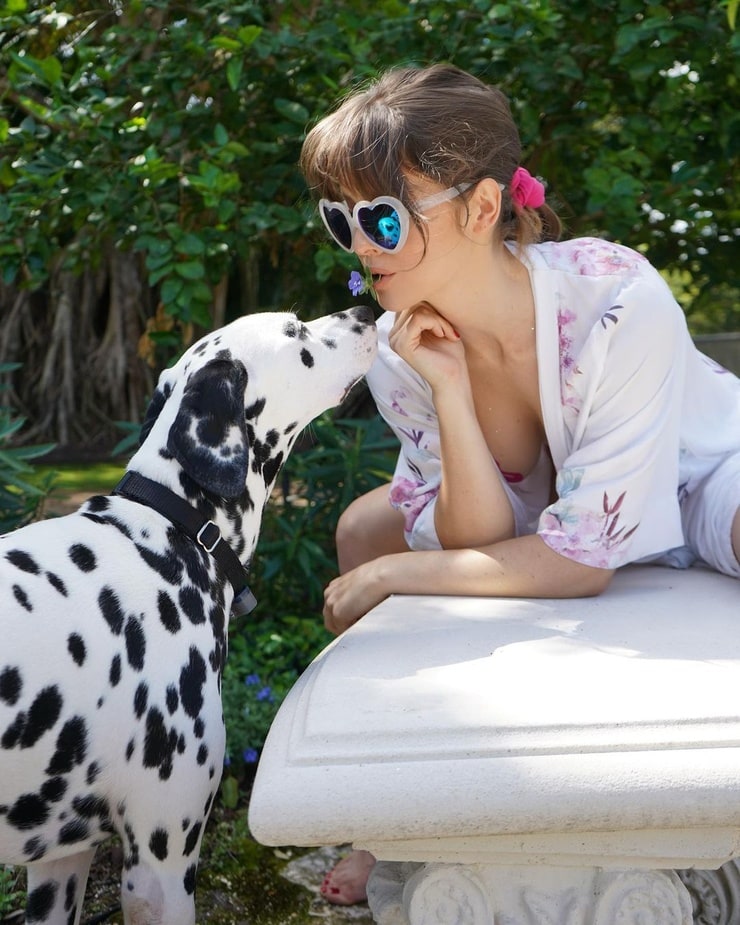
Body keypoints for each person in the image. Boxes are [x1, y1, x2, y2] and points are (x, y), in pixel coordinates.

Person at [299, 63, 740, 906]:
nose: (360, 247)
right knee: (365, 526)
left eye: (383, 217)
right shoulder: (402, 352)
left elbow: (579, 565)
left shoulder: (616, 298)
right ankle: (377, 816)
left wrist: (396, 571)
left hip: (695, 474)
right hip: (555, 518)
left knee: (376, 550)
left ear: (483, 208)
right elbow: (478, 540)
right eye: (341, 220)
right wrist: (450, 391)